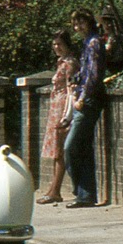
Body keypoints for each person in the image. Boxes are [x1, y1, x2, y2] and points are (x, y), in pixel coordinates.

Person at [64, 7, 106, 209]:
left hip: (89, 101)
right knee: (83, 148)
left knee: (70, 147)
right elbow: (85, 72)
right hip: (85, 97)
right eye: (75, 23)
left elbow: (94, 75)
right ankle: (86, 195)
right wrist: (75, 81)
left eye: (80, 22)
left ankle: (81, 192)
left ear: (88, 22)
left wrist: (82, 96)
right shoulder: (87, 43)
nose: (77, 26)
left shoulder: (94, 43)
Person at [37, 30, 79, 205]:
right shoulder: (60, 62)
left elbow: (72, 90)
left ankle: (55, 190)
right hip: (56, 107)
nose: (56, 47)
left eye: (59, 44)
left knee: (60, 150)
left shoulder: (70, 63)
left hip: (62, 109)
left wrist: (67, 115)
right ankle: (53, 189)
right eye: (54, 44)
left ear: (67, 44)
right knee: (56, 151)